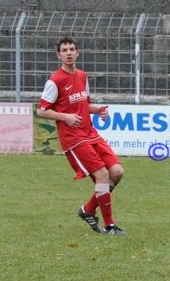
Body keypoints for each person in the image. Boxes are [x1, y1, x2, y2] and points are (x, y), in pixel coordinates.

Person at [37, 36, 127, 236]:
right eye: (64, 50)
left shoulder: (83, 76)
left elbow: (84, 104)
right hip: (74, 139)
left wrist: (97, 110)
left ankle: (87, 210)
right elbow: (42, 110)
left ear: (77, 53)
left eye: (72, 49)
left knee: (117, 172)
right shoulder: (55, 81)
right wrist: (65, 117)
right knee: (103, 175)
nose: (69, 53)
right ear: (58, 55)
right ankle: (110, 226)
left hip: (90, 133)